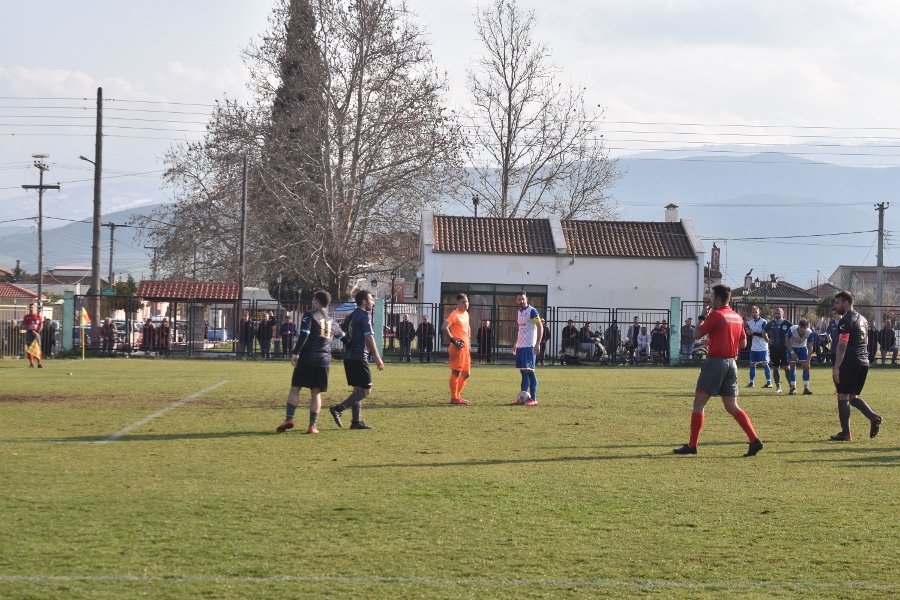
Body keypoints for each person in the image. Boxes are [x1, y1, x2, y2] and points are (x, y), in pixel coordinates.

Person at [673, 285, 763, 457]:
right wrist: (721, 341)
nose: (710, 300)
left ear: (719, 299)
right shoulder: (736, 317)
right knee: (732, 406)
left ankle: (692, 445)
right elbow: (743, 344)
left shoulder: (716, 314)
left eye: (712, 297)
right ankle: (754, 440)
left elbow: (697, 334)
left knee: (699, 404)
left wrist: (702, 316)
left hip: (715, 363)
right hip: (732, 364)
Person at [276, 291, 347, 434]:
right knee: (316, 393)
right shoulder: (332, 320)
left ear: (316, 301)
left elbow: (304, 335)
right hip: (324, 360)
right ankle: (312, 426)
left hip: (308, 357)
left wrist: (295, 352)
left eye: (313, 300)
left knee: (296, 387)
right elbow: (344, 338)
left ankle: (289, 419)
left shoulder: (310, 314)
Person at [328, 290, 384, 429]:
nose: (372, 302)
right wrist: (377, 357)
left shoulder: (351, 316)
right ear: (364, 301)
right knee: (366, 391)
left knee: (357, 389)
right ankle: (338, 409)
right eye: (371, 299)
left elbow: (341, 333)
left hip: (348, 357)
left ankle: (356, 422)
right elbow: (369, 337)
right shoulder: (364, 316)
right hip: (359, 356)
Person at [830, 291, 882, 441]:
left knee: (843, 396)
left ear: (846, 302)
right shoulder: (863, 319)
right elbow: (865, 343)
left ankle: (845, 433)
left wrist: (837, 367)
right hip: (863, 362)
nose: (835, 306)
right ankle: (873, 417)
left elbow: (842, 345)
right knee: (853, 397)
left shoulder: (846, 320)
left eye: (837, 303)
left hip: (850, 361)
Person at [512, 291, 543, 406]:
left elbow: (540, 326)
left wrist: (538, 343)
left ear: (526, 299)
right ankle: (523, 398)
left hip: (529, 346)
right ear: (516, 300)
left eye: (523, 299)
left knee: (530, 372)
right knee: (523, 372)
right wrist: (516, 343)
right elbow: (520, 330)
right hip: (520, 346)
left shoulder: (532, 311)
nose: (521, 301)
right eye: (519, 299)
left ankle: (533, 399)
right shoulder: (519, 312)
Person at [441, 294, 472, 405]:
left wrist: (469, 342)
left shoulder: (466, 314)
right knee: (456, 372)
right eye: (463, 302)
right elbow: (444, 327)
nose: (466, 304)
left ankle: (457, 396)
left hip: (465, 348)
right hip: (457, 348)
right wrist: (454, 341)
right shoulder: (455, 314)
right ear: (458, 304)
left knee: (466, 373)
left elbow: (467, 328)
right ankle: (454, 397)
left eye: (467, 301)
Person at [744, 305, 772, 388]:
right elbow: (749, 334)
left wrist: (753, 333)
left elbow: (764, 334)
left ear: (759, 312)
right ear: (751, 313)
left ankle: (769, 382)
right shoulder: (749, 323)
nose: (754, 313)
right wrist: (748, 334)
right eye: (753, 312)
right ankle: (751, 382)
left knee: (765, 364)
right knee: (752, 364)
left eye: (756, 312)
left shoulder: (764, 322)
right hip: (754, 347)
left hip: (763, 346)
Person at [765, 307, 792, 394]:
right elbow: (763, 332)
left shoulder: (787, 323)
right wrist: (768, 340)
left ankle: (791, 386)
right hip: (773, 349)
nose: (777, 315)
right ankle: (778, 387)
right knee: (775, 368)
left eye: (779, 313)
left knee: (786, 368)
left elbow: (794, 333)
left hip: (784, 349)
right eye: (776, 313)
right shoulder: (771, 323)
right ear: (774, 314)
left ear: (782, 313)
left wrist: (789, 342)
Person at [786, 318, 814, 395]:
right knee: (792, 367)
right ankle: (793, 388)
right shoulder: (792, 329)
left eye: (804, 328)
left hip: (802, 348)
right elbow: (787, 340)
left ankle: (806, 388)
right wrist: (792, 352)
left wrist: (808, 361)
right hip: (792, 347)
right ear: (798, 326)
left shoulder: (809, 333)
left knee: (806, 367)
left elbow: (810, 347)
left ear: (807, 328)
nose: (802, 329)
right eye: (801, 327)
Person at [23, 303, 43, 368]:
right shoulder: (26, 317)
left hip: (36, 334)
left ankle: (39, 363)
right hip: (29, 334)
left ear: (35, 308)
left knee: (38, 349)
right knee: (30, 349)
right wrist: (30, 330)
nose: (31, 308)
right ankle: (31, 364)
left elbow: (41, 325)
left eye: (32, 307)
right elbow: (25, 325)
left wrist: (37, 332)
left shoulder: (38, 316)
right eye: (30, 307)